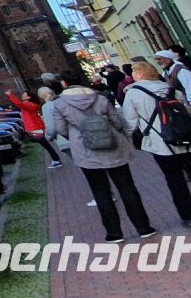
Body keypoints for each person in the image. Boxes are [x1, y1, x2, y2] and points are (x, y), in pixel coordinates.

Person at [48, 72, 156, 242]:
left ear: (64, 83)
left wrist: (77, 137)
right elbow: (116, 121)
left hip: (86, 151)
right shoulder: (100, 97)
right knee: (127, 188)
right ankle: (144, 227)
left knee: (100, 192)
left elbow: (61, 129)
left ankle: (114, 233)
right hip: (112, 146)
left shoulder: (60, 103)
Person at [122, 61, 191, 228]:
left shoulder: (133, 94)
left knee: (175, 180)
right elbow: (189, 112)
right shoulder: (171, 89)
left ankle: (189, 216)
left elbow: (130, 122)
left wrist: (132, 136)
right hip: (190, 140)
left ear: (140, 75)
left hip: (161, 144)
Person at [6, 88, 63, 167]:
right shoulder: (28, 104)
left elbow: (19, 104)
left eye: (24, 95)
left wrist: (10, 95)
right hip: (34, 128)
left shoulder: (30, 105)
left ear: (29, 97)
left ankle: (56, 160)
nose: (22, 95)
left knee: (45, 144)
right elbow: (18, 104)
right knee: (45, 144)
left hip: (35, 128)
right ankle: (56, 159)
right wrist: (9, 96)